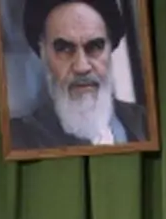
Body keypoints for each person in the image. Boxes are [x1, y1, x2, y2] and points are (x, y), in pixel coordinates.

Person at [10, 0, 148, 149]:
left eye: (95, 46)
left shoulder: (145, 122)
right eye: (64, 49)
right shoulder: (19, 140)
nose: (81, 67)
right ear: (44, 54)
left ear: (109, 50)